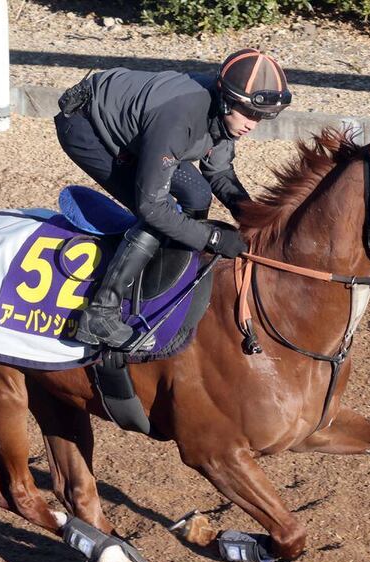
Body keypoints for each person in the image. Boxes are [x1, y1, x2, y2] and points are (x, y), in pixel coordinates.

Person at [55, 48, 292, 350]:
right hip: (87, 125)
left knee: (196, 194)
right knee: (160, 213)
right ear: (224, 100)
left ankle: (171, 269)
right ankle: (101, 313)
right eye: (249, 113)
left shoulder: (221, 113)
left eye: (262, 117)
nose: (253, 124)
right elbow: (151, 206)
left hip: (142, 129)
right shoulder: (181, 117)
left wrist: (256, 219)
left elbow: (218, 171)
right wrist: (213, 239)